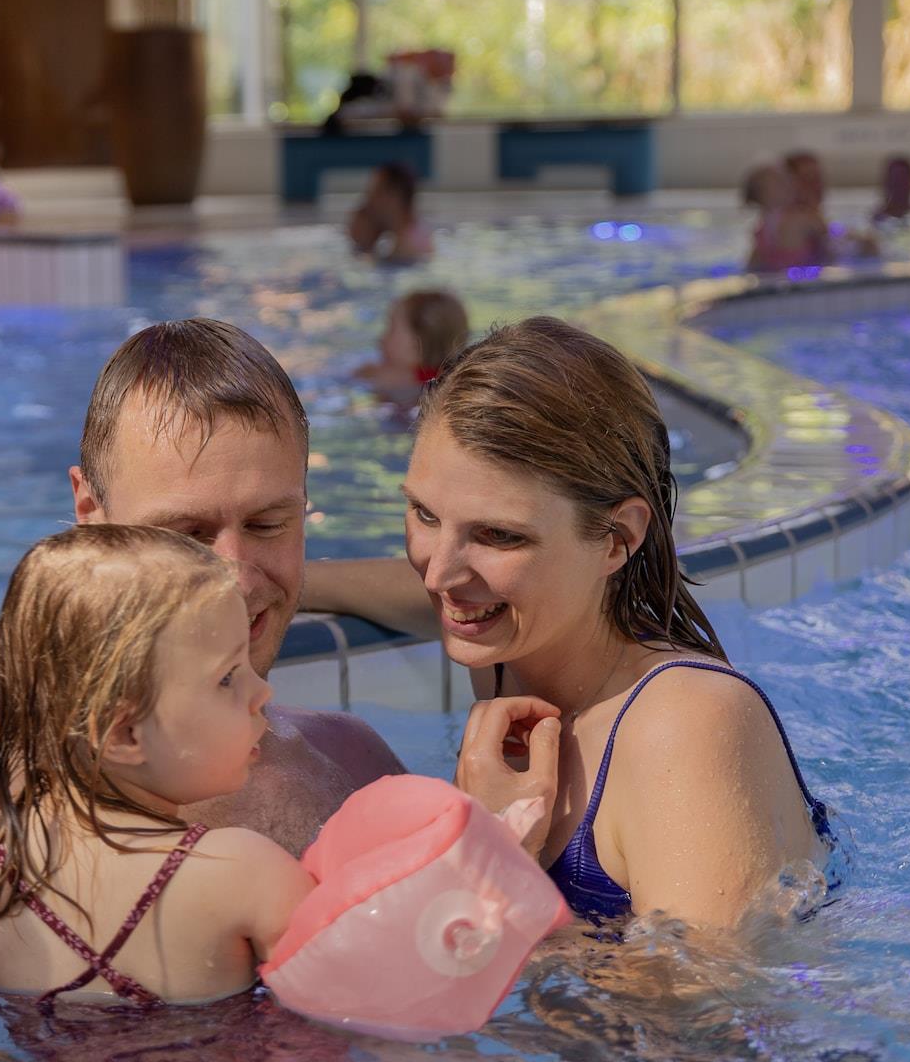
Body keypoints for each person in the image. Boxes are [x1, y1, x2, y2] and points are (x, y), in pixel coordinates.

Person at [303, 317, 835, 932]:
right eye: (424, 514)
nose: (438, 574)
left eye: (498, 535)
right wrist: (275, 583)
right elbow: (422, 590)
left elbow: (706, 992)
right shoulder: (512, 641)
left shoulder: (684, 726)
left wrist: (494, 859)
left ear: (617, 539)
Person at [0, 318, 406, 856]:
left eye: (268, 525)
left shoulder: (351, 767)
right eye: (187, 535)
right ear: (90, 514)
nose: (236, 577)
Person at [0, 524, 315, 1006]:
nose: (261, 691)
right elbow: (343, 1007)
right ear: (123, 734)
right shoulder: (247, 871)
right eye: (226, 678)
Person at [353, 289, 469, 404]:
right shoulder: (457, 382)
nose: (381, 338)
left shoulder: (389, 379)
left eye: (391, 329)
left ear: (416, 345)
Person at [740, 161, 827, 273]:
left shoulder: (762, 229)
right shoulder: (801, 217)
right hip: (802, 275)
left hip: (773, 275)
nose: (791, 184)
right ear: (762, 194)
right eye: (781, 182)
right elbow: (829, 239)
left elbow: (753, 263)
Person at [346, 162, 434, 264]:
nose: (370, 201)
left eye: (376, 191)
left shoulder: (404, 249)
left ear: (394, 197)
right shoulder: (417, 234)